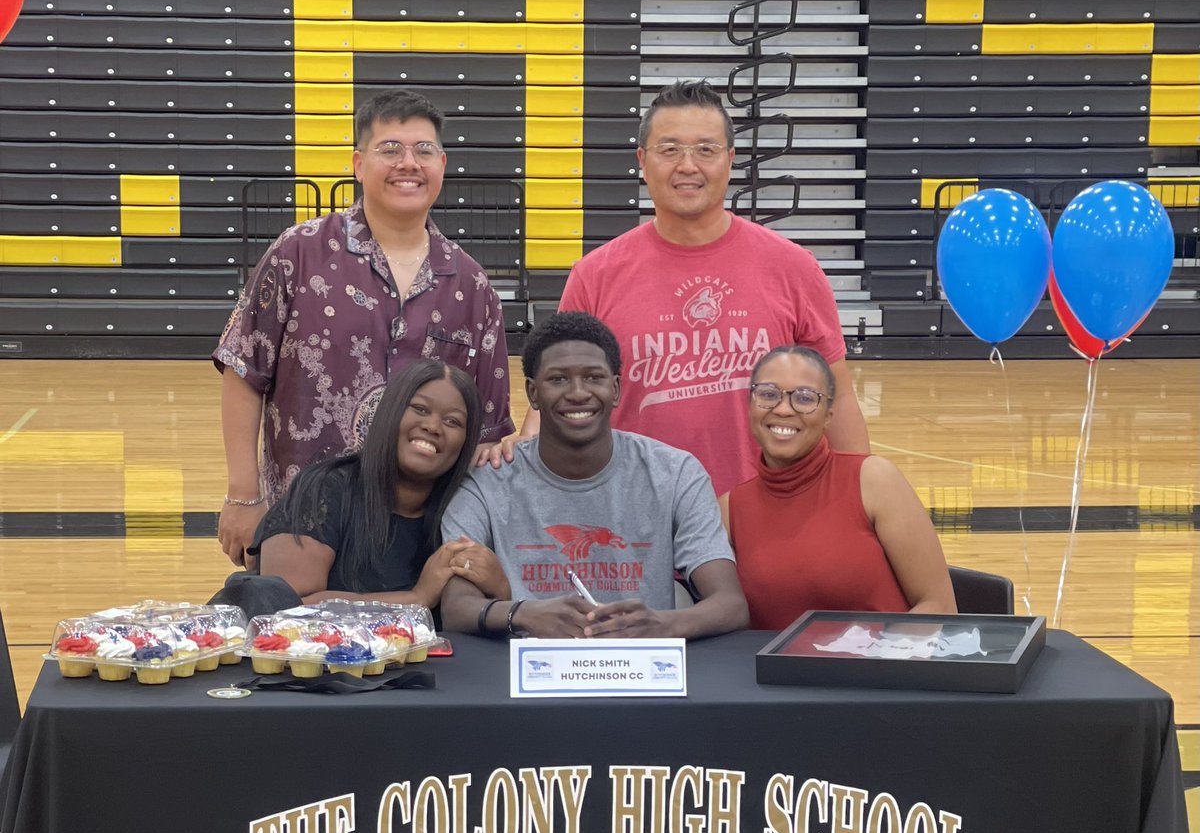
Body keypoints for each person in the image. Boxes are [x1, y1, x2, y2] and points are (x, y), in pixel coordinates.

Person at [491, 79, 867, 497]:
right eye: (669, 150)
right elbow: (557, 390)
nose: (688, 165)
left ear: (730, 160)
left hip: (767, 515)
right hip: (635, 517)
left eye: (705, 150)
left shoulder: (794, 267)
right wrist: (527, 445)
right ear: (643, 160)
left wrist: (858, 500)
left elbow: (840, 398)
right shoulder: (595, 275)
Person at [214, 88, 514, 566]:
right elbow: (244, 372)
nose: (408, 163)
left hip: (418, 543)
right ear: (358, 164)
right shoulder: (298, 253)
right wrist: (243, 496)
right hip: (300, 528)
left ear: (443, 163)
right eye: (390, 149)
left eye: (424, 150)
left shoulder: (472, 285)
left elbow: (487, 433)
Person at [440, 312, 748, 640]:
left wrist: (662, 625)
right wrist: (522, 613)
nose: (577, 392)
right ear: (532, 393)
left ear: (615, 389)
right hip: (525, 677)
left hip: (643, 677)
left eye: (593, 378)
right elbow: (456, 608)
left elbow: (730, 604)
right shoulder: (487, 483)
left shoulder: (675, 474)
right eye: (558, 379)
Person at [721, 346, 955, 630]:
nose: (783, 409)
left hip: (886, 668)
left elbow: (938, 606)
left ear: (828, 415)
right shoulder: (729, 510)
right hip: (776, 675)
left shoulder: (874, 481)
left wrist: (876, 666)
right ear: (750, 406)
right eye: (768, 394)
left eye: (805, 398)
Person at [252, 360, 509, 610]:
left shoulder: (465, 509)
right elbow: (286, 610)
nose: (432, 426)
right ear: (389, 413)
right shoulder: (323, 491)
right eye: (419, 409)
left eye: (452, 421)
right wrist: (417, 598)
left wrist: (500, 586)